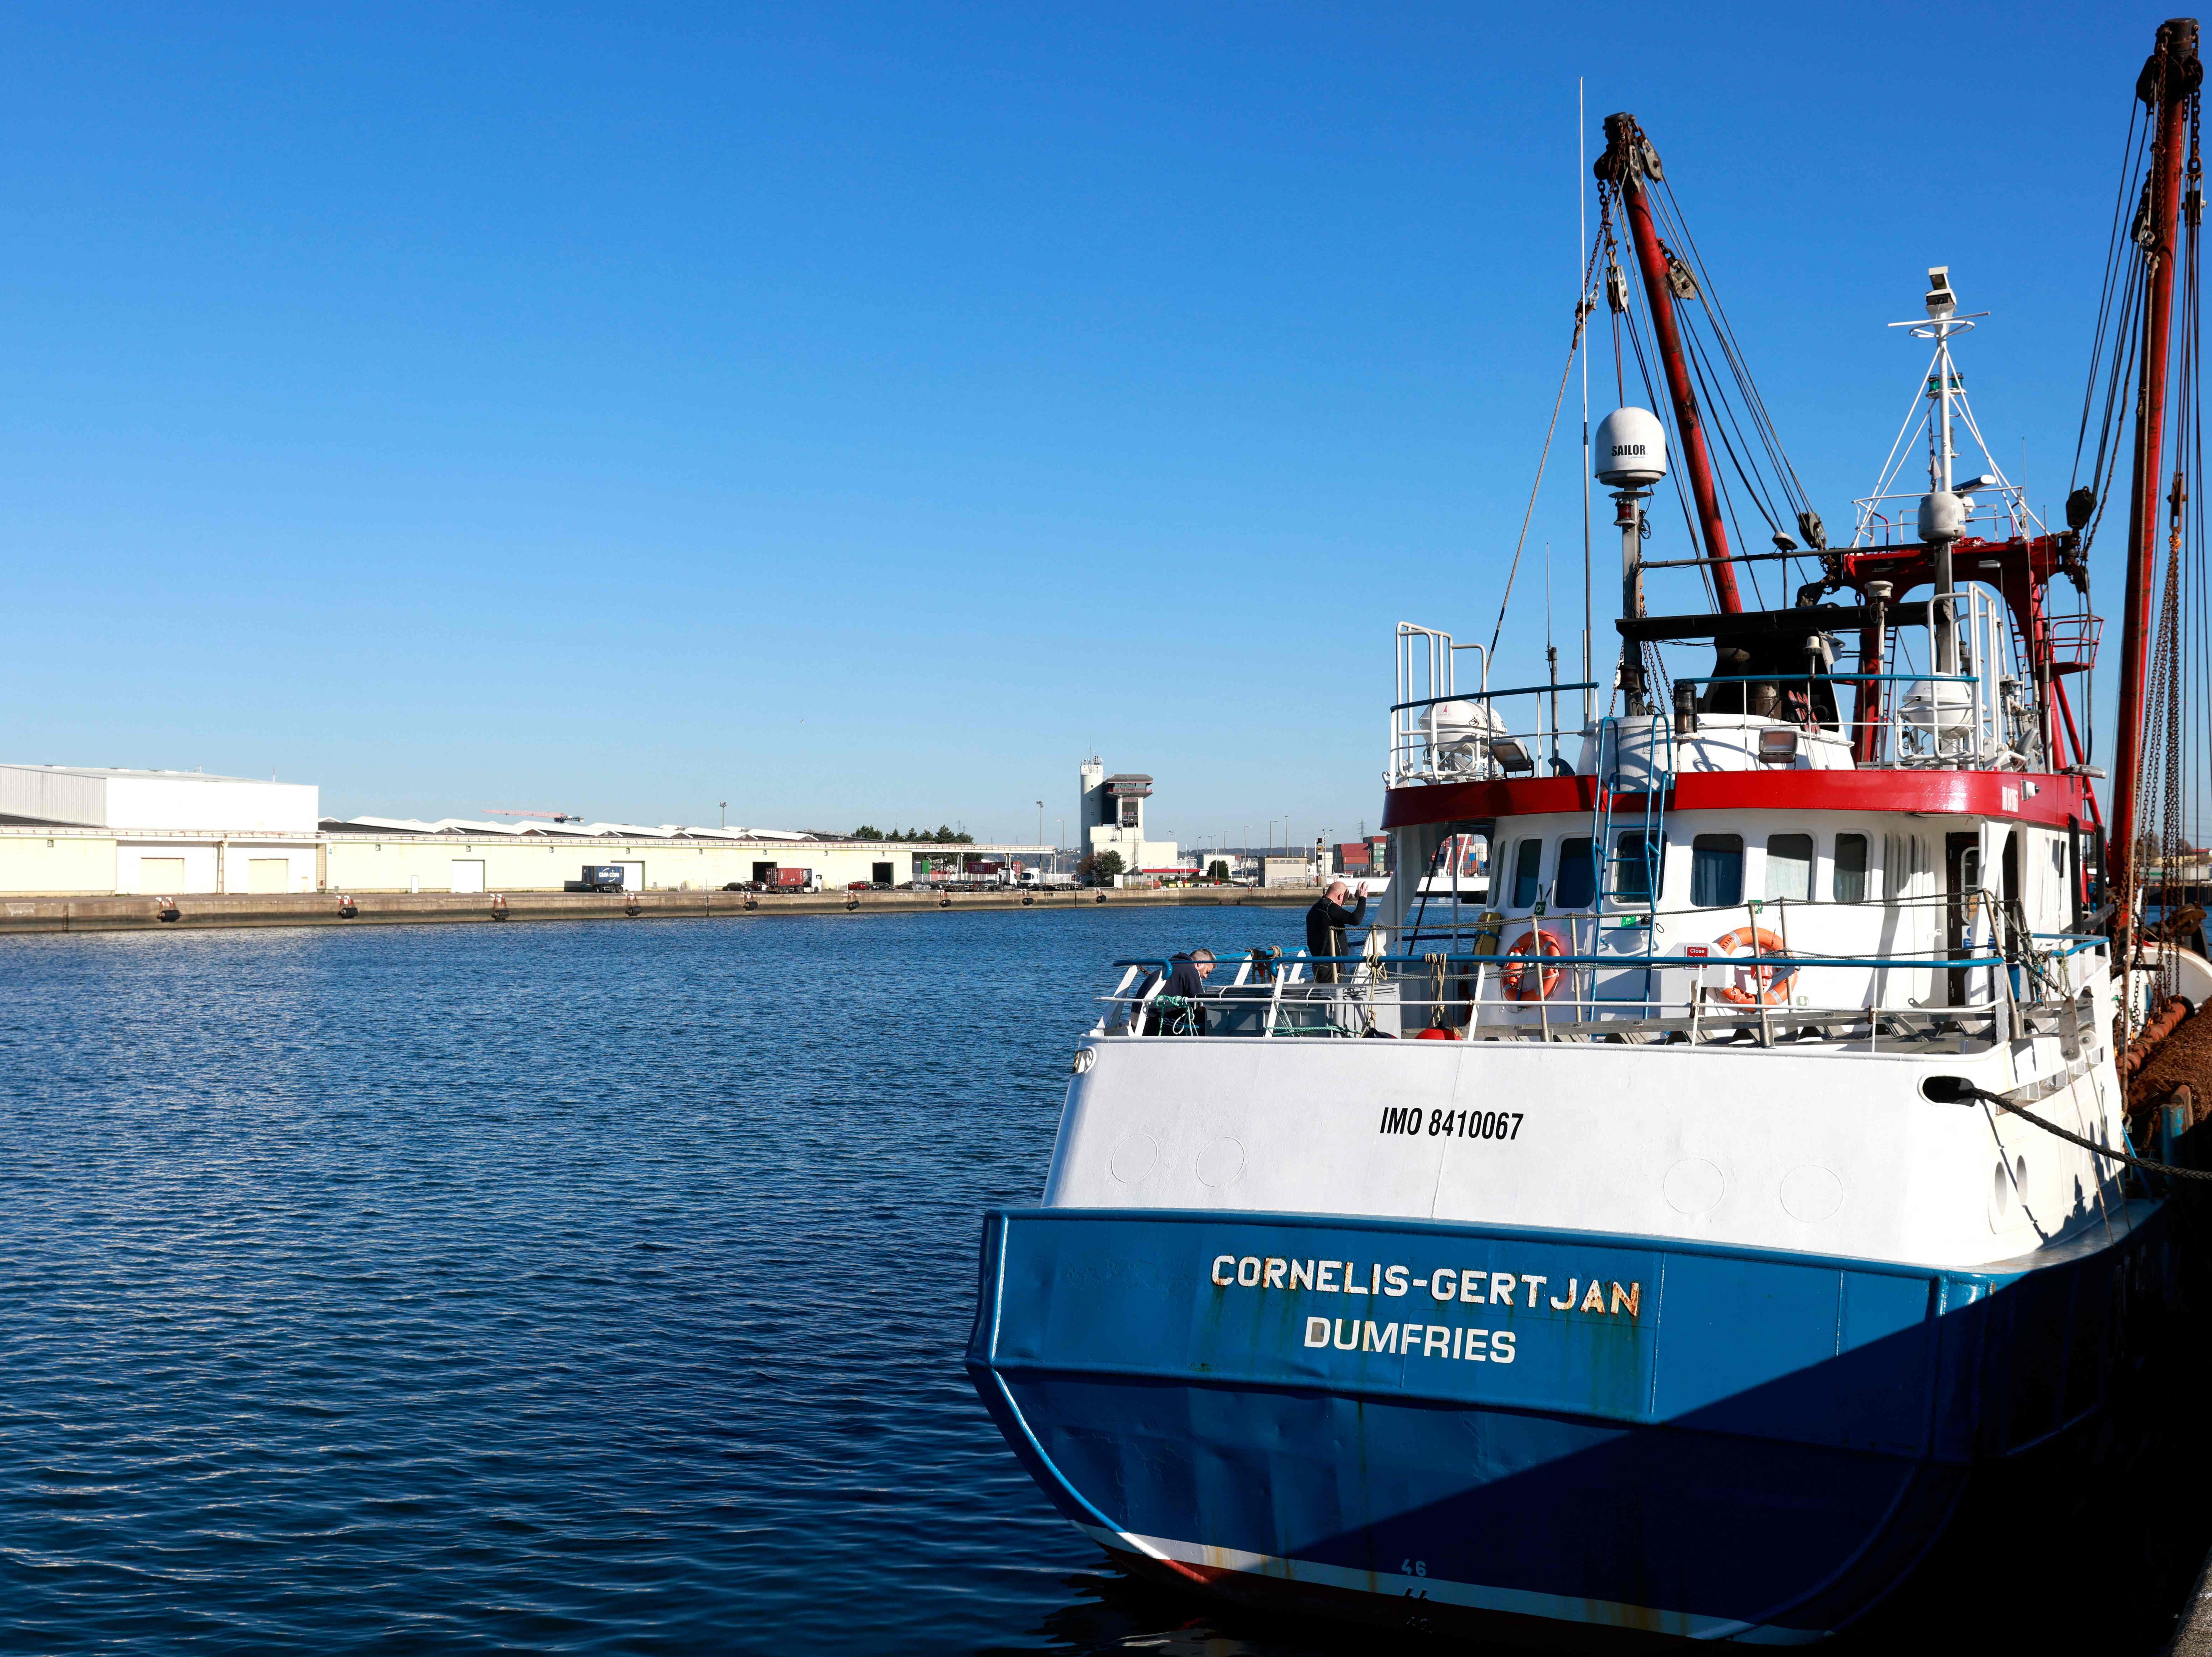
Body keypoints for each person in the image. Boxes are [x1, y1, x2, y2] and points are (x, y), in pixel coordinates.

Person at [1306, 881, 1369, 984]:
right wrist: (1362, 899)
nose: (1344, 904)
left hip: (1319, 963)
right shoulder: (1330, 908)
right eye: (1345, 900)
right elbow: (1356, 920)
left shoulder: (1313, 910)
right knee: (1333, 996)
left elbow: (1310, 942)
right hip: (1332, 966)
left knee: (1326, 996)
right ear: (1340, 896)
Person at [1143, 948, 1215, 1034]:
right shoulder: (1190, 970)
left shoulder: (1175, 964)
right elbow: (1201, 1002)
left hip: (1142, 1014)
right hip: (1152, 1021)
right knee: (1207, 1021)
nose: (1206, 977)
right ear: (1200, 964)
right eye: (1208, 972)